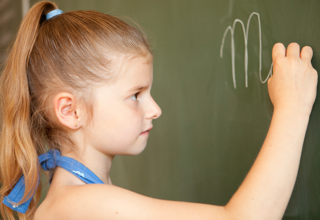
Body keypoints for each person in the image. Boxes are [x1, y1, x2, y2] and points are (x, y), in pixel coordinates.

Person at [0, 1, 317, 220]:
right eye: (136, 95)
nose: (155, 109)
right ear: (70, 112)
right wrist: (292, 106)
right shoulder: (81, 204)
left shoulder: (78, 200)